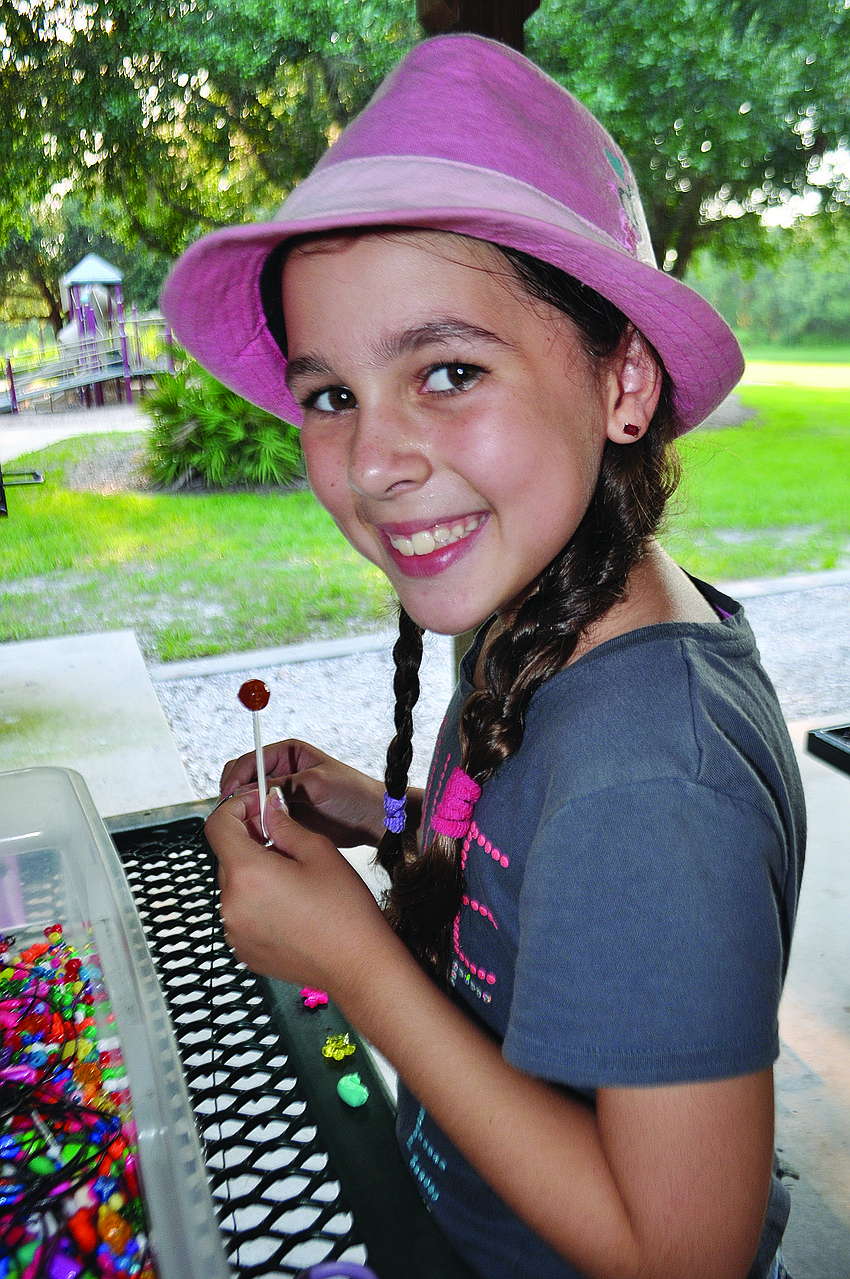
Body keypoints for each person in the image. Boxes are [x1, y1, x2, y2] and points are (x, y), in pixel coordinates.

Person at [161, 35, 805, 1279]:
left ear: (624, 380)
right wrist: (390, 810)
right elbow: (539, 867)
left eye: (447, 371)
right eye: (331, 395)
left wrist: (353, 958)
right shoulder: (548, 608)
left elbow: (684, 1253)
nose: (369, 460)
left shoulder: (651, 777)